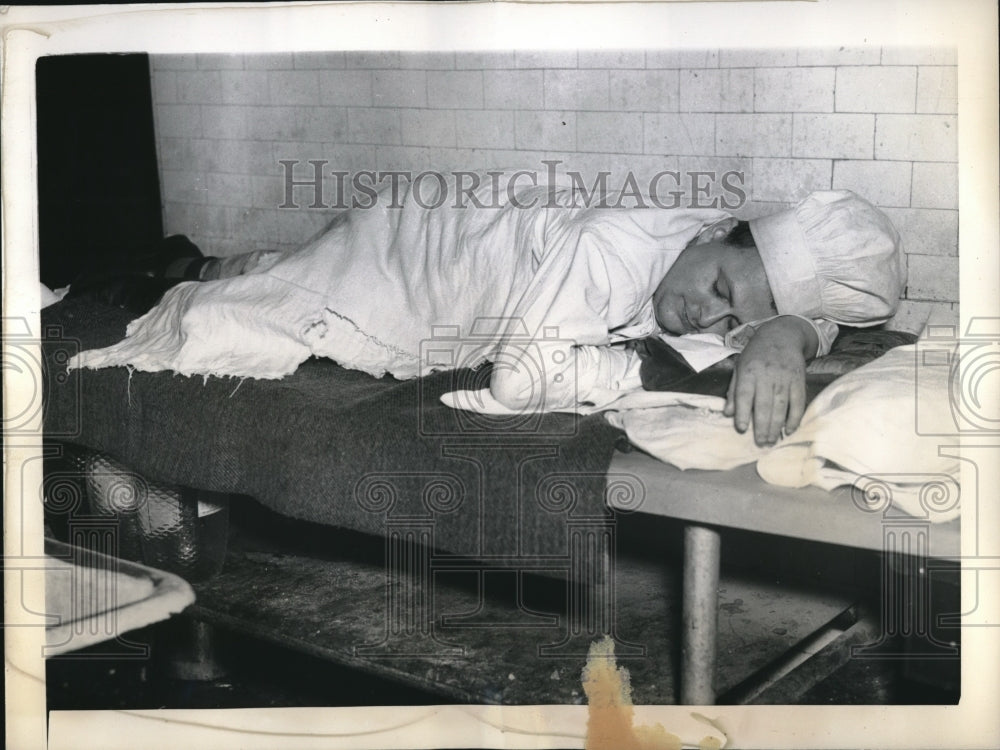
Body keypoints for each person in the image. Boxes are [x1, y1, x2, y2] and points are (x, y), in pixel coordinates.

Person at [68, 171, 904, 447]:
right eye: (718, 291)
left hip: (466, 255)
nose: (702, 319)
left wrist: (787, 336)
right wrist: (625, 368)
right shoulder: (614, 245)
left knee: (283, 268)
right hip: (417, 255)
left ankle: (190, 256)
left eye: (734, 324)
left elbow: (814, 311)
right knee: (240, 312)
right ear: (719, 231)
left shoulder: (726, 272)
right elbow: (519, 381)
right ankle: (156, 282)